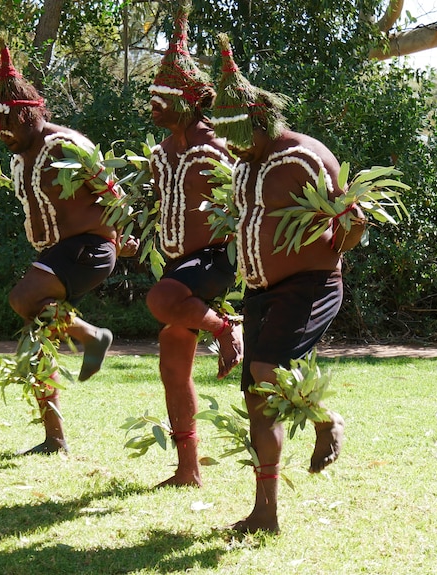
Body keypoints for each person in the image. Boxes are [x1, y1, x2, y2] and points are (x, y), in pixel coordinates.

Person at [209, 33, 363, 533]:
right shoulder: (243, 165)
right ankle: (265, 514)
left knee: (265, 368)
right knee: (257, 394)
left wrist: (353, 224)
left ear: (260, 119)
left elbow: (347, 226)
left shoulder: (305, 156)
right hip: (260, 291)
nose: (230, 143)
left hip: (311, 284)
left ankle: (326, 418)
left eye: (237, 131)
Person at [0, 40, 135, 454]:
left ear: (29, 114)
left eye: (9, 125)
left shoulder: (66, 145)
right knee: (37, 338)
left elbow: (112, 192)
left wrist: (119, 238)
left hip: (88, 248)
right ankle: (54, 438)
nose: (3, 136)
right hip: (57, 255)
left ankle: (92, 336)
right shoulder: (20, 158)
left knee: (22, 298)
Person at [144, 3, 244, 488]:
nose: (153, 106)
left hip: (216, 258)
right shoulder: (163, 152)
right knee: (171, 356)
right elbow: (156, 205)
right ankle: (188, 469)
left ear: (189, 100)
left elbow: (247, 195)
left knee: (161, 300)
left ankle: (226, 328)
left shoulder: (218, 143)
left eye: (162, 97)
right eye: (153, 97)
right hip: (181, 262)